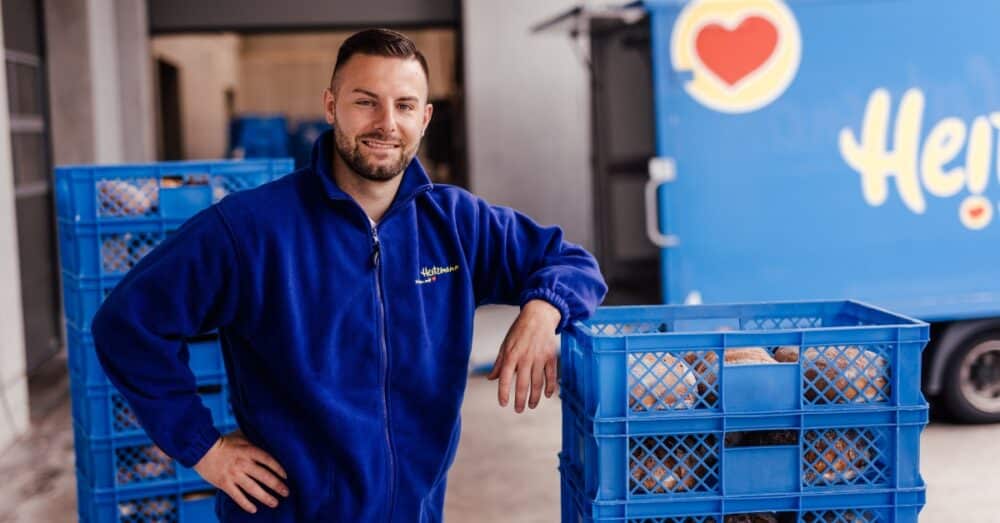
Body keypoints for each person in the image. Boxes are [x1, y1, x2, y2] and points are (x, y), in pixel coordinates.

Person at [92, 28, 607, 522]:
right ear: (331, 106)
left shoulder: (457, 224)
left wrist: (542, 310)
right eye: (366, 101)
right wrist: (203, 448)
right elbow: (127, 324)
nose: (387, 122)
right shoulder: (252, 228)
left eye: (404, 106)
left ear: (424, 119)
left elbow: (573, 263)